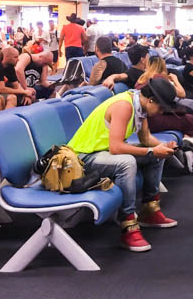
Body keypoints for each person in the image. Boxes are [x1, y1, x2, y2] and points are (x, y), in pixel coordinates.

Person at [67, 78, 179, 252]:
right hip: (82, 158)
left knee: (157, 155)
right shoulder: (124, 106)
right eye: (161, 107)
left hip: (102, 153)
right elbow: (116, 147)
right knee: (127, 162)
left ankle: (150, 210)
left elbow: (146, 139)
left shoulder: (140, 106)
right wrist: (152, 150)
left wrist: (163, 147)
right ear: (150, 100)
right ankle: (128, 225)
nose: (161, 112)